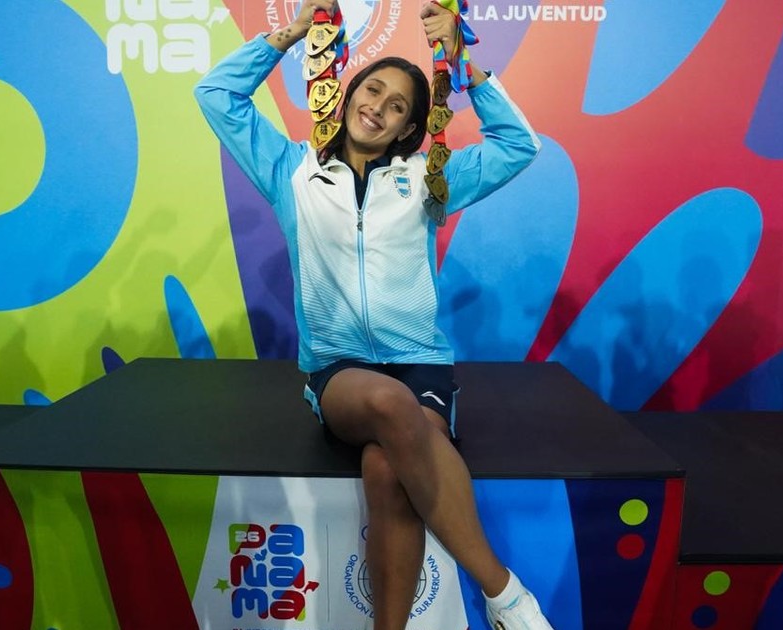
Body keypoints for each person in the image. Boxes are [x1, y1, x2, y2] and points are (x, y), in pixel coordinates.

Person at [196, 1, 551, 628]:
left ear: (409, 128)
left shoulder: (430, 182)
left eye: (398, 106)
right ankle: (504, 594)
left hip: (422, 368)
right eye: (372, 90)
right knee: (390, 405)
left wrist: (464, 66)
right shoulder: (291, 172)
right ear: (346, 92)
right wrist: (291, 35)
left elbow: (520, 144)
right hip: (341, 374)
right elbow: (217, 95)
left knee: (387, 470)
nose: (379, 107)